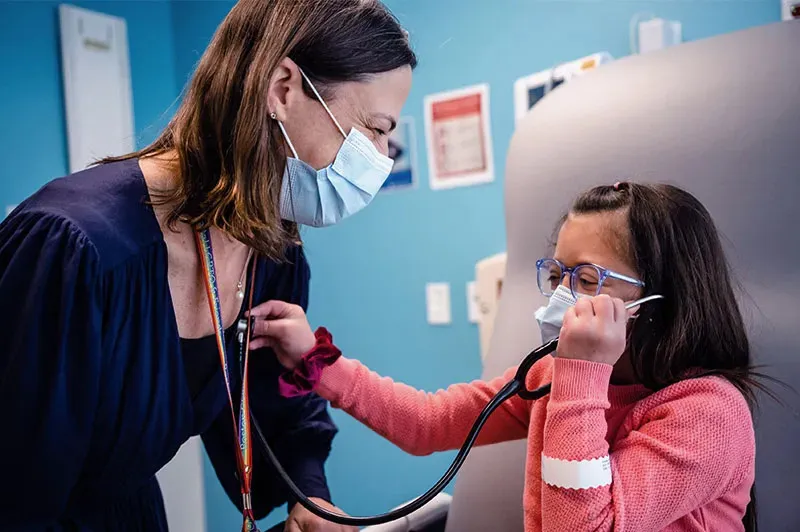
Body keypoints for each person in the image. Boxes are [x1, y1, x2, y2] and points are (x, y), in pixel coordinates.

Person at [0, 0, 414, 530]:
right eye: (374, 130)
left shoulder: (270, 250)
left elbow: (273, 399)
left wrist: (310, 498)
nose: (380, 157)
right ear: (283, 88)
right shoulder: (73, 249)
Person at [253, 182, 764, 532]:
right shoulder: (550, 377)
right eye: (557, 273)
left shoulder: (708, 415)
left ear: (661, 301)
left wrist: (582, 375)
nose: (563, 295)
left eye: (586, 280)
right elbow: (427, 422)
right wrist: (314, 361)